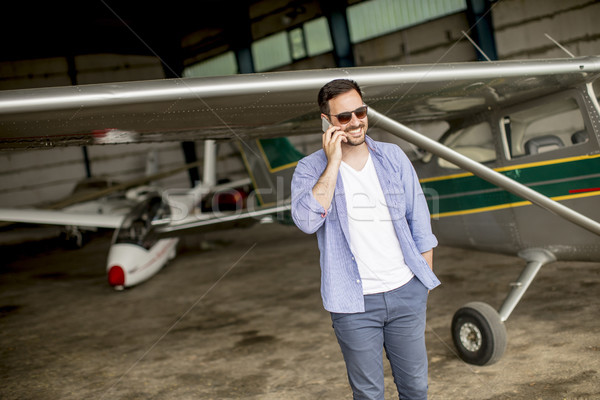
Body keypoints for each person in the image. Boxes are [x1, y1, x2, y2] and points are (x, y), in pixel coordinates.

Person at [291, 79, 440, 400]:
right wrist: (332, 162)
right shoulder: (308, 169)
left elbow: (420, 221)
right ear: (326, 122)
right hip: (353, 306)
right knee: (369, 394)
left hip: (406, 293)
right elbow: (305, 221)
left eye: (360, 111)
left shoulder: (393, 157)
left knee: (416, 388)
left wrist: (421, 283)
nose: (356, 121)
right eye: (344, 117)